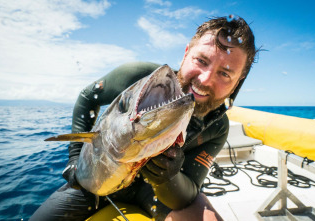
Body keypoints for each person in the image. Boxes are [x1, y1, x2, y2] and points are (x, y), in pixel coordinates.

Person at [31, 15, 257, 221]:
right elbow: (87, 96)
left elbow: (187, 194)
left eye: (225, 73)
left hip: (154, 191)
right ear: (186, 52)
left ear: (239, 81)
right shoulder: (141, 77)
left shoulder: (217, 127)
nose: (206, 80)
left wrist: (167, 176)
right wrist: (74, 158)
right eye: (202, 61)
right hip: (98, 175)